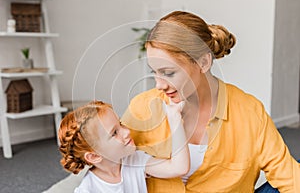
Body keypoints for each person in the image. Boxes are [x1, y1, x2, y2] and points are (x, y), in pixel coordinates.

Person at [121, 11, 300, 192]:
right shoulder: (143, 107)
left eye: (168, 73)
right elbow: (107, 164)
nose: (159, 85)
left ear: (204, 63)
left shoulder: (249, 111)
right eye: (154, 72)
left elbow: (289, 177)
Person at [58, 100, 189, 193]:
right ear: (94, 156)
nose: (127, 132)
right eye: (114, 133)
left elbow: (178, 167)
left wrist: (174, 118)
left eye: (120, 124)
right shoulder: (88, 189)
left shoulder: (135, 161)